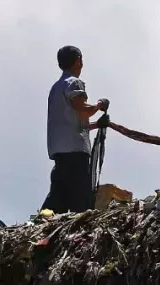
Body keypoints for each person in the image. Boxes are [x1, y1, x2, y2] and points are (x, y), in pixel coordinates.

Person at [42, 45, 110, 214]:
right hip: (75, 152)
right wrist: (100, 105)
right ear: (78, 61)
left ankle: (43, 223)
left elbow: (76, 123)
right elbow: (82, 109)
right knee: (80, 196)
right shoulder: (74, 82)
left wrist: (96, 125)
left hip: (59, 151)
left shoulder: (56, 87)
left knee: (59, 195)